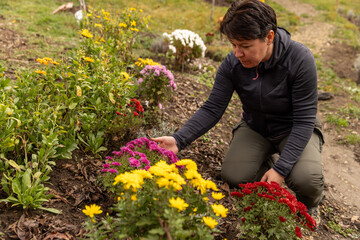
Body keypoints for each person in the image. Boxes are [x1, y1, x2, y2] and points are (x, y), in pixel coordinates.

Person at [152, 0, 324, 220]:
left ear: (269, 37)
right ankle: (272, 164)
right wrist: (179, 139)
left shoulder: (300, 60)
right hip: (256, 128)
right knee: (234, 175)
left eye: (245, 46)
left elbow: (303, 121)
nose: (237, 53)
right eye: (233, 45)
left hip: (294, 129)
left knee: (306, 180)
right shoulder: (232, 64)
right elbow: (213, 108)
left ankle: (310, 203)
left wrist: (281, 170)